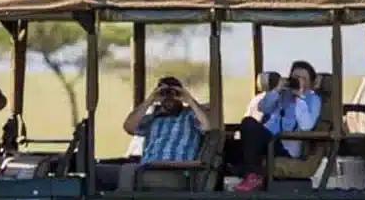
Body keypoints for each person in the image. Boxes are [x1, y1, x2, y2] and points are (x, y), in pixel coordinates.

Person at [231, 60, 322, 192]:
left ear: (311, 84)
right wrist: (277, 90)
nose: (298, 81)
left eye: (303, 79)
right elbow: (263, 107)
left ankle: (253, 176)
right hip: (268, 141)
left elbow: (307, 125)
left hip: (285, 146)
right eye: (295, 78)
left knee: (249, 123)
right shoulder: (283, 95)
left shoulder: (313, 99)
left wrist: (300, 98)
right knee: (230, 144)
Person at [122, 76, 211, 165]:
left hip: (173, 170)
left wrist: (189, 100)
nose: (169, 97)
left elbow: (207, 127)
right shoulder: (153, 118)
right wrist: (150, 100)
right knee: (111, 171)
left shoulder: (190, 115)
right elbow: (129, 127)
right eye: (163, 93)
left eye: (174, 93)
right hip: (146, 170)